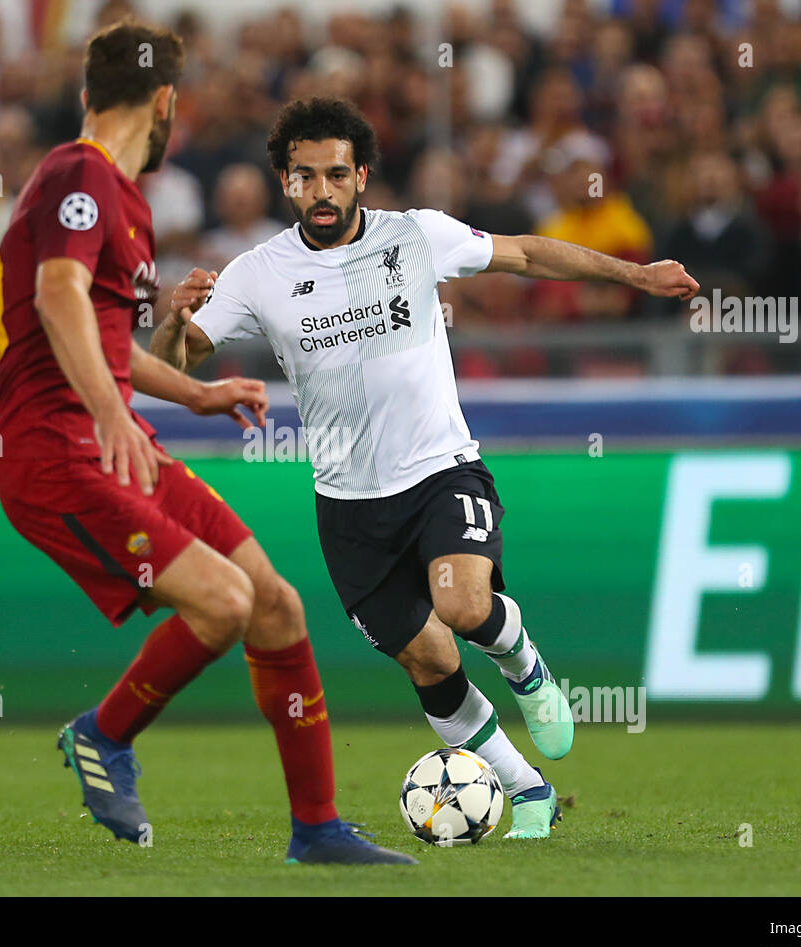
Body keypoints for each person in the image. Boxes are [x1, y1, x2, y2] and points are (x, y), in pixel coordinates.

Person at [152, 96, 698, 839]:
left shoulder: (416, 236)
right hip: (347, 502)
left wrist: (635, 275)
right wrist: (173, 324)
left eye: (335, 175)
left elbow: (529, 253)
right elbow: (174, 369)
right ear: (285, 182)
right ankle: (526, 788)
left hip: (441, 470)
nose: (321, 191)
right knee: (429, 658)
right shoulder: (256, 274)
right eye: (305, 177)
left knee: (465, 606)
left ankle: (525, 666)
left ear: (362, 176)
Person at [0, 27, 411, 865]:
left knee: (275, 603)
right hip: (53, 450)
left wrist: (196, 390)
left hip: (107, 435)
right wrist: (109, 413)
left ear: (88, 94)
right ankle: (102, 735)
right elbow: (61, 296)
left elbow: (104, 340)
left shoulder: (123, 198)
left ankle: (317, 829)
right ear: (168, 102)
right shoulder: (79, 175)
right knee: (222, 603)